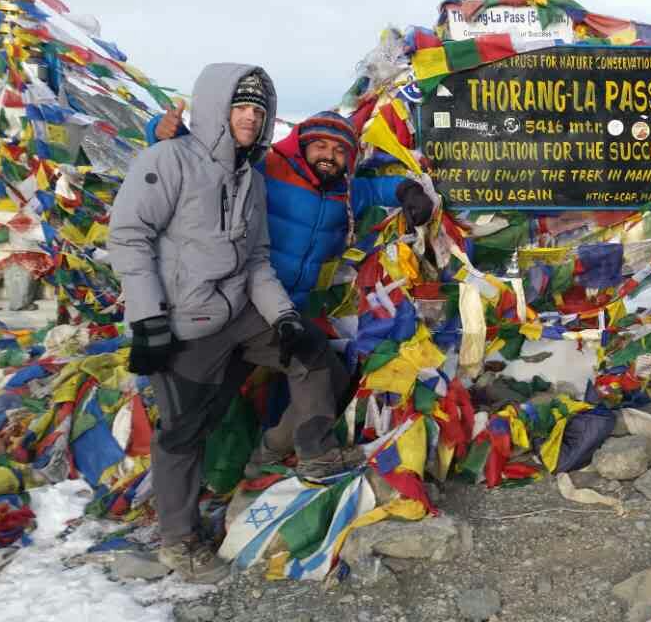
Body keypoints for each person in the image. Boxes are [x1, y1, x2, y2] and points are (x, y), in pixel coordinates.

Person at [109, 65, 364, 584]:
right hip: (184, 321)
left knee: (312, 354)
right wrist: (148, 319)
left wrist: (286, 319)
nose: (249, 117)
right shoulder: (169, 160)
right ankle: (178, 541)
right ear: (217, 108)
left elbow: (257, 260)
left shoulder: (250, 177)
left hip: (238, 312)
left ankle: (315, 455)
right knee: (183, 431)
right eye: (241, 107)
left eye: (258, 110)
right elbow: (129, 237)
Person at [146, 106, 435, 476]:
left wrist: (408, 190)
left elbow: (377, 187)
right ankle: (191, 493)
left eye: (340, 150)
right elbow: (206, 162)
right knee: (206, 407)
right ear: (302, 144)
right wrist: (160, 130)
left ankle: (269, 452)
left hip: (283, 316)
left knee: (330, 377)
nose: (329, 156)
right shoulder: (265, 169)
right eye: (321, 146)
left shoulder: (344, 193)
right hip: (232, 307)